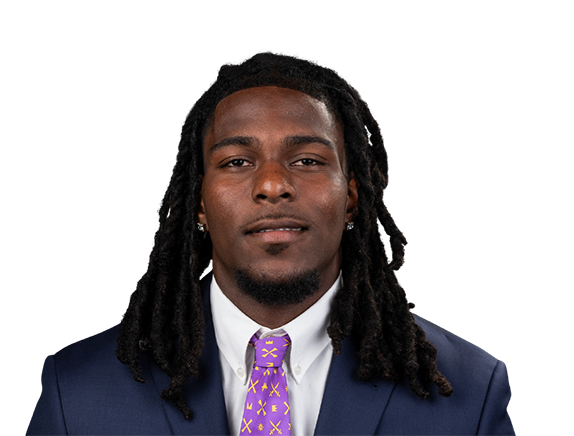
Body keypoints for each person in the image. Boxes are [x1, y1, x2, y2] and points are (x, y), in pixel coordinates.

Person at [26, 51, 514, 436]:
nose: (273, 185)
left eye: (307, 160)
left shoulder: (471, 393)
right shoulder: (77, 392)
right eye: (237, 162)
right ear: (199, 204)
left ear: (350, 199)